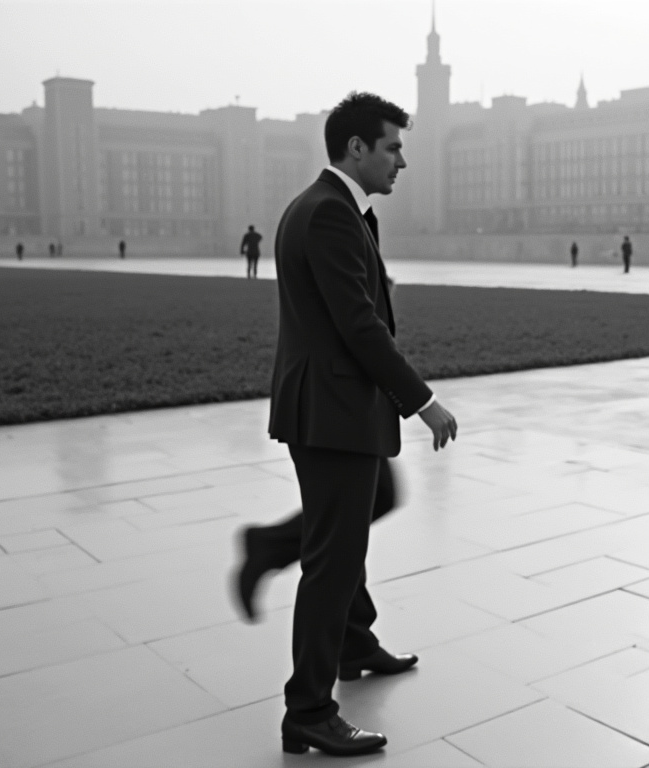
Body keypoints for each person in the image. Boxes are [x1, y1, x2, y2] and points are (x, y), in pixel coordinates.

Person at [233, 92, 458, 758]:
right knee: (334, 560)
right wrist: (423, 401)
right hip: (331, 413)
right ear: (356, 148)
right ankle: (307, 711)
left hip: (333, 407)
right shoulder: (329, 215)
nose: (401, 162)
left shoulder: (332, 208)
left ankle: (350, 639)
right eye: (392, 147)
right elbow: (358, 324)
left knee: (374, 505)